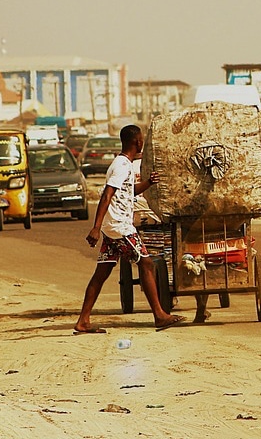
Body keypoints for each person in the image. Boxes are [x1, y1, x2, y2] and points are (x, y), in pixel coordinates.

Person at [74, 125, 185, 334]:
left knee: (102, 272)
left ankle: (83, 321)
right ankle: (160, 315)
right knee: (146, 263)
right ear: (138, 143)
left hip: (113, 228)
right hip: (119, 227)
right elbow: (107, 195)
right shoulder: (121, 165)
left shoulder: (123, 164)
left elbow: (129, 191)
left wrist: (148, 183)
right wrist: (95, 228)